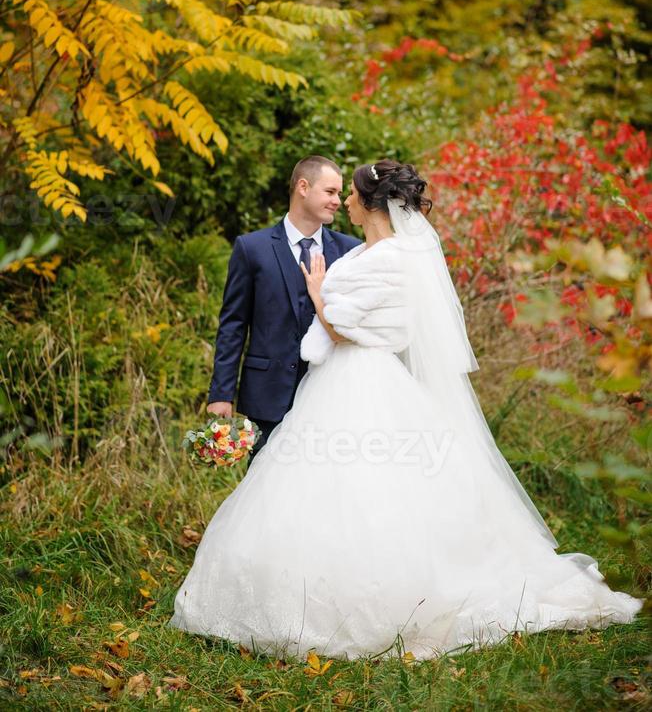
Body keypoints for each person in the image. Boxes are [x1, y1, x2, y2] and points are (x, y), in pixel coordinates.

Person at [170, 159, 643, 660]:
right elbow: (249, 324)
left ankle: (381, 594)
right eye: (336, 192)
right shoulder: (356, 253)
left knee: (372, 486)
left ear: (371, 202)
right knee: (321, 488)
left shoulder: (389, 258)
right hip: (330, 380)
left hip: (364, 382)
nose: (344, 201)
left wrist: (316, 294)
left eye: (349, 194)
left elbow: (347, 327)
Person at [205, 155, 360, 460]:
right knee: (264, 490)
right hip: (266, 395)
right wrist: (221, 393)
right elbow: (233, 325)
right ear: (303, 187)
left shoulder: (349, 250)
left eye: (340, 194)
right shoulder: (252, 248)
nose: (337, 201)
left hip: (328, 393)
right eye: (330, 192)